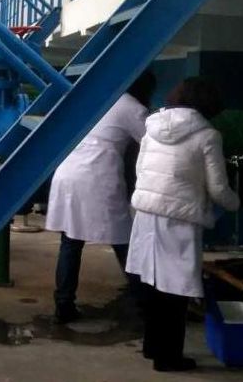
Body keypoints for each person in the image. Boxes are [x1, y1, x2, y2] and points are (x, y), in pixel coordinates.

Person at [126, 77, 239, 372]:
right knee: (175, 291)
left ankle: (152, 347)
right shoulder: (208, 135)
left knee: (152, 285)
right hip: (180, 218)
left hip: (146, 214)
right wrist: (236, 202)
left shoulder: (152, 127)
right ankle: (169, 358)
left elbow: (140, 170)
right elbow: (218, 188)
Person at [46, 70, 156, 324]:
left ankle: (63, 305)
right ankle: (148, 305)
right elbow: (155, 143)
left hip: (69, 171)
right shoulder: (132, 107)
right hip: (96, 175)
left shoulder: (99, 97)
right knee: (124, 242)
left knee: (71, 242)